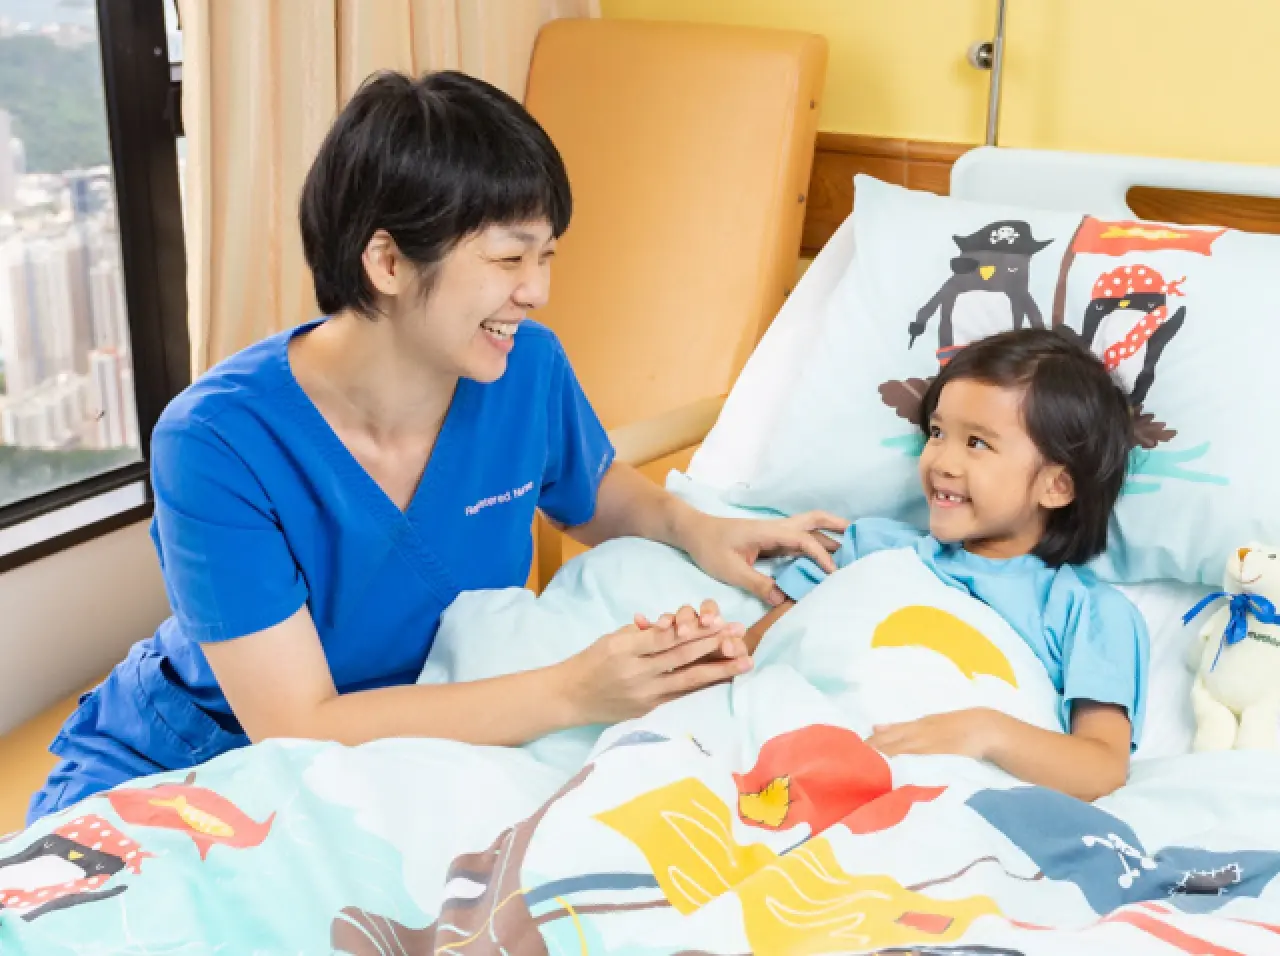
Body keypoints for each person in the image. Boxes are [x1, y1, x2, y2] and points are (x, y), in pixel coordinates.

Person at [28, 71, 845, 824]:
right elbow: (296, 725)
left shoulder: (525, 369)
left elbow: (594, 493)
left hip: (422, 746)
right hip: (199, 758)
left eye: (546, 256)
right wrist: (574, 691)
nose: (537, 290)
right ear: (387, 260)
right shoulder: (216, 442)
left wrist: (699, 528)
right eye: (508, 257)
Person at [746, 329, 1149, 802]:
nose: (942, 462)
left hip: (935, 794)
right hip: (788, 751)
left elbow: (1101, 768)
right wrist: (704, 645)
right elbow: (763, 648)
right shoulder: (872, 547)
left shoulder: (1089, 611)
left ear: (1056, 486)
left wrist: (988, 731)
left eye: (977, 442)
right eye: (937, 434)